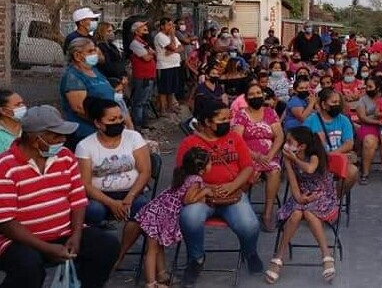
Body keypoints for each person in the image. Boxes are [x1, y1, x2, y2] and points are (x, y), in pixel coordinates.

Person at [0, 106, 119, 288]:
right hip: (18, 240)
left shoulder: (65, 157)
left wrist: (76, 236)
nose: (63, 140)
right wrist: (46, 248)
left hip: (64, 232)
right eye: (56, 136)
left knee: (106, 246)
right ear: (34, 140)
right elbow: (7, 222)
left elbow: (78, 200)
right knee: (28, 267)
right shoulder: (5, 166)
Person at [177, 100, 262, 287]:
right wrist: (204, 188)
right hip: (201, 195)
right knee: (189, 217)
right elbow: (181, 173)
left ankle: (250, 252)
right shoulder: (190, 143)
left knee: (249, 225)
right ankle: (196, 259)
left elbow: (247, 168)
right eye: (222, 119)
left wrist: (232, 185)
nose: (227, 122)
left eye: (228, 118)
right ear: (207, 121)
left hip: (232, 193)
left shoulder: (235, 138)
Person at [75, 98, 151, 266]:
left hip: (132, 192)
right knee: (92, 211)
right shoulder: (85, 146)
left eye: (119, 118)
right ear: (98, 123)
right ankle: (94, 252)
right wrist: (111, 203)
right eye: (111, 120)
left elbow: (145, 172)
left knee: (143, 208)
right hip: (100, 196)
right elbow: (85, 184)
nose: (118, 123)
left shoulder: (133, 137)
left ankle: (119, 255)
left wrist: (130, 197)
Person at [267, 126, 340, 283]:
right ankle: (279, 257)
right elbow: (293, 181)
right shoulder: (288, 157)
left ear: (302, 146)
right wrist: (299, 198)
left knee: (308, 212)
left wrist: (294, 159)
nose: (286, 144)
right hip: (303, 193)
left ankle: (326, 255)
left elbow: (310, 169)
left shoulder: (314, 155)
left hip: (323, 194)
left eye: (289, 141)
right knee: (297, 213)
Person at [136, 147, 212, 288]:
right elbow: (188, 200)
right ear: (201, 169)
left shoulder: (183, 173)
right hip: (162, 214)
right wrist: (205, 192)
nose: (211, 165)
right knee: (152, 250)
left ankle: (162, 275)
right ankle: (151, 283)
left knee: (157, 246)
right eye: (210, 163)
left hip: (157, 210)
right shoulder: (196, 179)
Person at [231, 84, 283, 231]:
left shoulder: (270, 112)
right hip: (247, 155)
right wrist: (255, 156)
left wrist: (270, 155)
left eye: (258, 93)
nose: (256, 96)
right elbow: (237, 140)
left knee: (274, 171)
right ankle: (239, 209)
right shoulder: (241, 115)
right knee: (249, 173)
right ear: (246, 98)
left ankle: (267, 213)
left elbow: (279, 136)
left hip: (269, 155)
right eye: (252, 94)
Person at [60, 38, 116, 148]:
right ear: (77, 56)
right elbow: (79, 108)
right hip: (86, 132)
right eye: (90, 51)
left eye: (95, 50)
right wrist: (102, 122)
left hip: (106, 126)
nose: (95, 54)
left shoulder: (94, 70)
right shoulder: (73, 77)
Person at [303, 89, 360, 192]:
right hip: (316, 161)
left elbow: (349, 143)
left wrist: (331, 154)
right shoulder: (310, 120)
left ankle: (335, 199)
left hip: (336, 159)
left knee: (352, 171)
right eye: (334, 102)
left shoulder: (344, 120)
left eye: (338, 102)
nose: (337, 105)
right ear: (324, 105)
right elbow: (303, 143)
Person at [128, 21, 157, 129]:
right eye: (142, 27)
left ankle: (144, 123)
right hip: (142, 76)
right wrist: (151, 53)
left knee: (146, 101)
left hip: (149, 75)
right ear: (136, 31)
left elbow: (153, 54)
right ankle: (138, 125)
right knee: (139, 102)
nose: (146, 29)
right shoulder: (135, 44)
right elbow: (147, 57)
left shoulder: (143, 43)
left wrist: (151, 53)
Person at [154, 18, 184, 115]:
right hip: (164, 66)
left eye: (172, 25)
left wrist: (173, 51)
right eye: (169, 25)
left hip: (174, 64)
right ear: (162, 26)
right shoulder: (160, 36)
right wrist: (173, 47)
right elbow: (171, 46)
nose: (171, 27)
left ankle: (170, 106)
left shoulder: (173, 37)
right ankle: (163, 108)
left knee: (172, 88)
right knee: (164, 89)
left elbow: (181, 47)